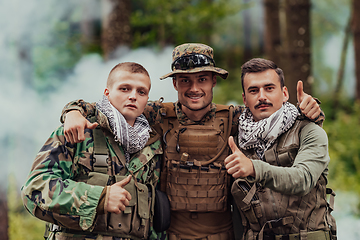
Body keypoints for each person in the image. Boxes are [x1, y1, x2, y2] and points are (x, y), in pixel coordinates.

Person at [59, 43, 323, 240]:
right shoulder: (156, 114)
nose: (194, 88)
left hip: (224, 234)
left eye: (202, 79)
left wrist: (313, 110)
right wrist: (72, 111)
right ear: (175, 84)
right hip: (172, 234)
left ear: (213, 82)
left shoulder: (235, 117)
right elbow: (104, 108)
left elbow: (277, 115)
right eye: (185, 80)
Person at [21, 62, 165, 240]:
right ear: (107, 93)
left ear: (147, 99)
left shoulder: (153, 145)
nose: (133, 96)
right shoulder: (79, 132)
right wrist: (99, 197)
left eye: (141, 92)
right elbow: (35, 188)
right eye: (124, 89)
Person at [225, 58, 336, 240]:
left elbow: (303, 179)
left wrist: (254, 168)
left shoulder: (308, 130)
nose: (262, 96)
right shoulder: (236, 140)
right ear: (244, 99)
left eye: (269, 88)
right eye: (254, 90)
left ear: (285, 93)